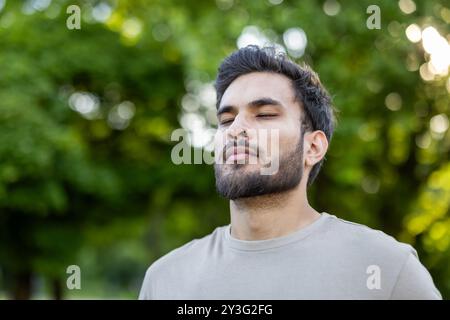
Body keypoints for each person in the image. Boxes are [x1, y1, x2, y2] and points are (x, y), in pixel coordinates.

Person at [139, 45, 442, 300]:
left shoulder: (387, 269)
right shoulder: (165, 280)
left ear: (313, 147)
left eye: (265, 114)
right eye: (226, 119)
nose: (237, 130)